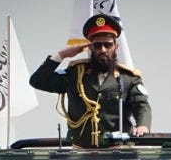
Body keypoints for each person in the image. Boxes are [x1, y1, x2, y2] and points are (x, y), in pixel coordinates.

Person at [29, 13, 151, 148]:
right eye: (97, 45)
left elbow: (141, 105)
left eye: (108, 45)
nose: (103, 50)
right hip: (82, 156)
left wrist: (143, 125)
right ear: (91, 47)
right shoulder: (75, 74)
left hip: (118, 153)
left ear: (115, 47)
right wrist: (61, 55)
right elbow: (37, 81)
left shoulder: (128, 78)